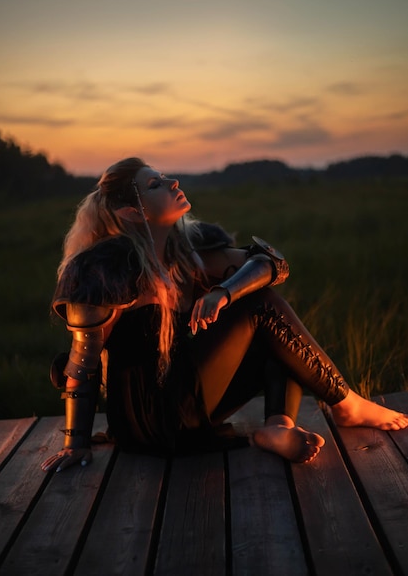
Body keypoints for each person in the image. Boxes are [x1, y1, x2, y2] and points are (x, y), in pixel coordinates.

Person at [41, 157, 408, 473]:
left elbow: (271, 263)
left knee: (274, 329)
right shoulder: (103, 266)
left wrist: (224, 291)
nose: (173, 182)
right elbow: (82, 363)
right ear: (131, 212)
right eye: (155, 184)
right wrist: (76, 444)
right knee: (260, 308)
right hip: (149, 420)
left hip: (191, 401)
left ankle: (278, 425)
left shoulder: (188, 248)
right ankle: (347, 404)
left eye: (165, 176)